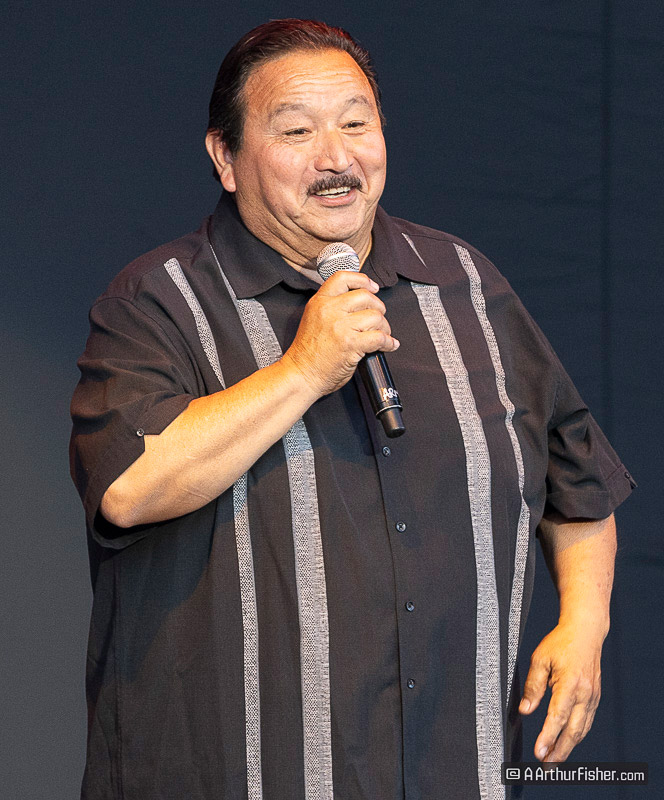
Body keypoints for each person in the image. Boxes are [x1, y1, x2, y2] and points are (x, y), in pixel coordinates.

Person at [70, 18, 635, 800]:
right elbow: (131, 484)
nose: (335, 157)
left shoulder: (466, 286)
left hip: (448, 771)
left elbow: (579, 485)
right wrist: (304, 370)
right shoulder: (158, 301)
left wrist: (584, 623)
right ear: (225, 158)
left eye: (356, 124)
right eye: (296, 131)